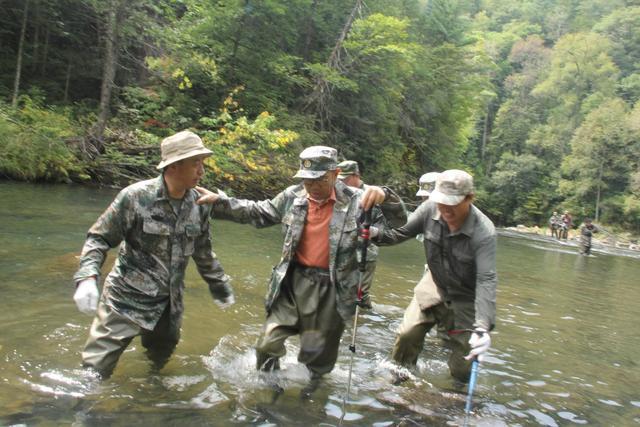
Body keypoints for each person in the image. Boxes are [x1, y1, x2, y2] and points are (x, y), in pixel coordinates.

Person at [195, 146, 406, 395]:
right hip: (292, 283)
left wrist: (386, 196)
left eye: (319, 179)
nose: (311, 186)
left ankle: (310, 401)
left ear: (335, 173)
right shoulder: (293, 196)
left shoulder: (359, 200)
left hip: (334, 289)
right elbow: (259, 211)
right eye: (306, 180)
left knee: (317, 362)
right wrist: (221, 202)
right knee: (266, 345)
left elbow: (400, 225)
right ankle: (269, 393)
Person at [72, 130, 235, 378]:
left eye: (202, 163)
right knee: (94, 371)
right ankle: (81, 411)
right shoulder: (135, 197)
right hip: (125, 301)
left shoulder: (200, 204)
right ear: (173, 167)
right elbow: (99, 238)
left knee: (159, 360)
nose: (202, 171)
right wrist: (87, 278)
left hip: (169, 305)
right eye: (195, 163)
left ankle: (150, 397)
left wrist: (219, 285)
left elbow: (203, 252)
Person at [372, 169, 497, 383]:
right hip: (434, 282)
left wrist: (483, 327)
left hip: (465, 295)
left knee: (463, 364)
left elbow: (486, 279)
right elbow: (399, 233)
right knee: (407, 334)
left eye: (452, 203)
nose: (445, 209)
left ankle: (454, 395)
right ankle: (399, 380)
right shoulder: (429, 208)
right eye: (441, 201)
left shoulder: (484, 232)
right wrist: (375, 235)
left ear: (469, 198)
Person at [337, 159, 376, 308]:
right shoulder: (342, 193)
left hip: (366, 252)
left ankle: (366, 319)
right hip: (346, 251)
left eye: (345, 179)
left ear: (356, 175)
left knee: (361, 294)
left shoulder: (371, 193)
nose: (343, 183)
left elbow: (390, 225)